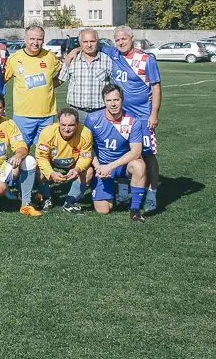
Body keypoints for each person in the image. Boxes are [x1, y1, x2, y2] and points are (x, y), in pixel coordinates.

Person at [104, 25, 162, 213]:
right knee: (122, 151)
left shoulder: (146, 59)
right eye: (117, 39)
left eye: (124, 39)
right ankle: (124, 193)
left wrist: (154, 114)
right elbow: (92, 45)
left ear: (132, 38)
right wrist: (74, 51)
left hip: (143, 117)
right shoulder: (114, 54)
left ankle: (152, 194)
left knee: (148, 155)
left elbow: (156, 88)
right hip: (121, 116)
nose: (121, 42)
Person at [83, 84, 148, 222]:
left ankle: (135, 210)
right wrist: (98, 167)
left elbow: (136, 152)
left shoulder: (133, 121)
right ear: (104, 101)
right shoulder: (92, 119)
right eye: (109, 100)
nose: (113, 104)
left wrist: (110, 167)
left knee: (139, 165)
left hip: (121, 166)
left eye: (116, 100)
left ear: (122, 99)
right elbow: (87, 147)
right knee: (103, 210)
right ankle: (116, 188)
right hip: (101, 167)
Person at [3, 24, 63, 149]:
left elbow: (63, 72)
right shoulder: (14, 59)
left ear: (43, 40)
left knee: (45, 151)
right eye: (32, 39)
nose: (35, 43)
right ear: (25, 39)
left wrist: (52, 84)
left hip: (47, 115)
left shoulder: (50, 57)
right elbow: (1, 80)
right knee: (21, 150)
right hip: (23, 116)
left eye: (39, 39)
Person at [34, 108, 95, 214]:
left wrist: (77, 169)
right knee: (39, 169)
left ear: (77, 123)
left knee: (89, 171)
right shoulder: (47, 133)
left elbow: (85, 157)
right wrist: (51, 173)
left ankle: (70, 202)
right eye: (63, 125)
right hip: (51, 160)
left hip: (74, 162)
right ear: (58, 122)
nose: (66, 129)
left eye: (71, 125)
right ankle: (46, 198)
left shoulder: (86, 133)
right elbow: (41, 157)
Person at [60, 28, 114, 121]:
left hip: (100, 112)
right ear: (80, 43)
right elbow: (61, 79)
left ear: (97, 42)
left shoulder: (107, 60)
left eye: (92, 41)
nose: (89, 45)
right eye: (85, 42)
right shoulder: (71, 59)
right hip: (76, 113)